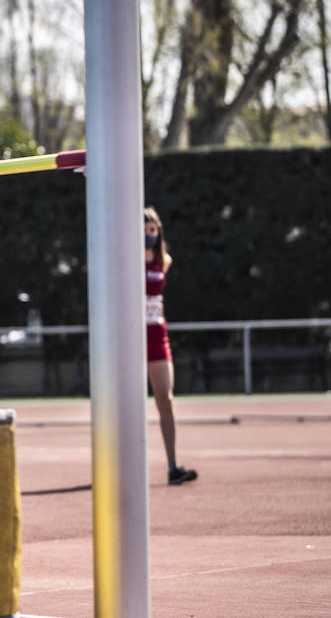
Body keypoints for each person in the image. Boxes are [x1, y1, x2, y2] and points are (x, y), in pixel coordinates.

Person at [146, 206, 198, 485]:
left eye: (152, 230)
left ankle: (173, 466)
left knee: (165, 399)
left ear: (159, 231)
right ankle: (121, 466)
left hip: (157, 334)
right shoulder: (127, 258)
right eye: (143, 230)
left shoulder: (163, 260)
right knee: (124, 403)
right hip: (131, 337)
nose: (148, 235)